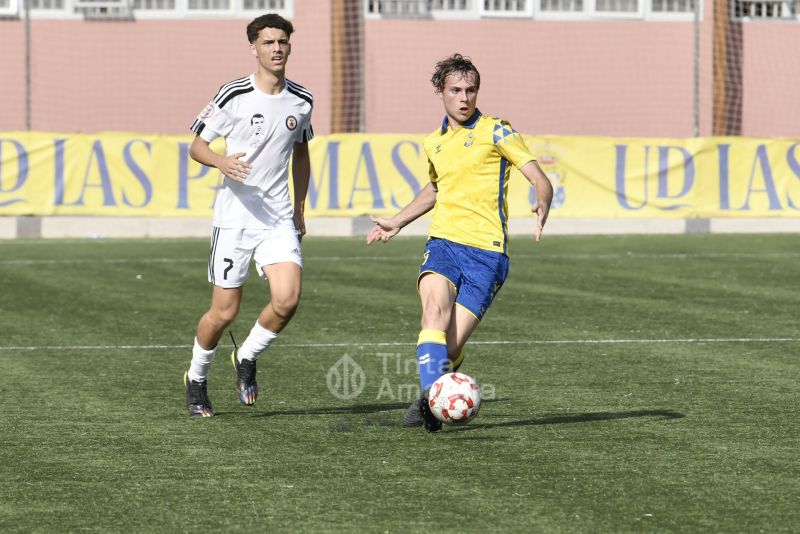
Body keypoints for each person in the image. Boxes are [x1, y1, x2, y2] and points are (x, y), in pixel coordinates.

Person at [366, 53, 553, 432]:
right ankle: (431, 405)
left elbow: (538, 176)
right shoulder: (433, 142)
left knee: (448, 349)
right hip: (444, 243)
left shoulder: (497, 131)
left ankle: (435, 387)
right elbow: (436, 188)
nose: (464, 98)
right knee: (433, 311)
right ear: (440, 91)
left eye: (470, 90)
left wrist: (543, 198)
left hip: (488, 254)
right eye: (455, 90)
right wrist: (397, 221)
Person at [183, 13, 314, 417]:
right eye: (268, 42)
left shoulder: (302, 100)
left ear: (290, 46)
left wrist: (299, 209)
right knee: (224, 312)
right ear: (253, 48)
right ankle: (196, 378)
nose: (276, 48)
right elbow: (197, 146)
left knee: (287, 300)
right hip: (234, 220)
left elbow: (301, 153)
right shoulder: (233, 94)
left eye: (282, 42)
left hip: (276, 218)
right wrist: (221, 161)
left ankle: (247, 355)